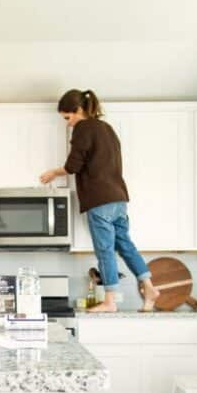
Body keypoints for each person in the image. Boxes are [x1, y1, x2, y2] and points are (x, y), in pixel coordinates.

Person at [39, 89, 159, 312]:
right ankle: (149, 288)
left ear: (79, 110)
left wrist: (54, 173)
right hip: (119, 198)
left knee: (105, 250)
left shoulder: (84, 128)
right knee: (125, 245)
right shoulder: (107, 129)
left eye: (68, 118)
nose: (68, 124)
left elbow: (73, 165)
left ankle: (109, 301)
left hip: (99, 199)